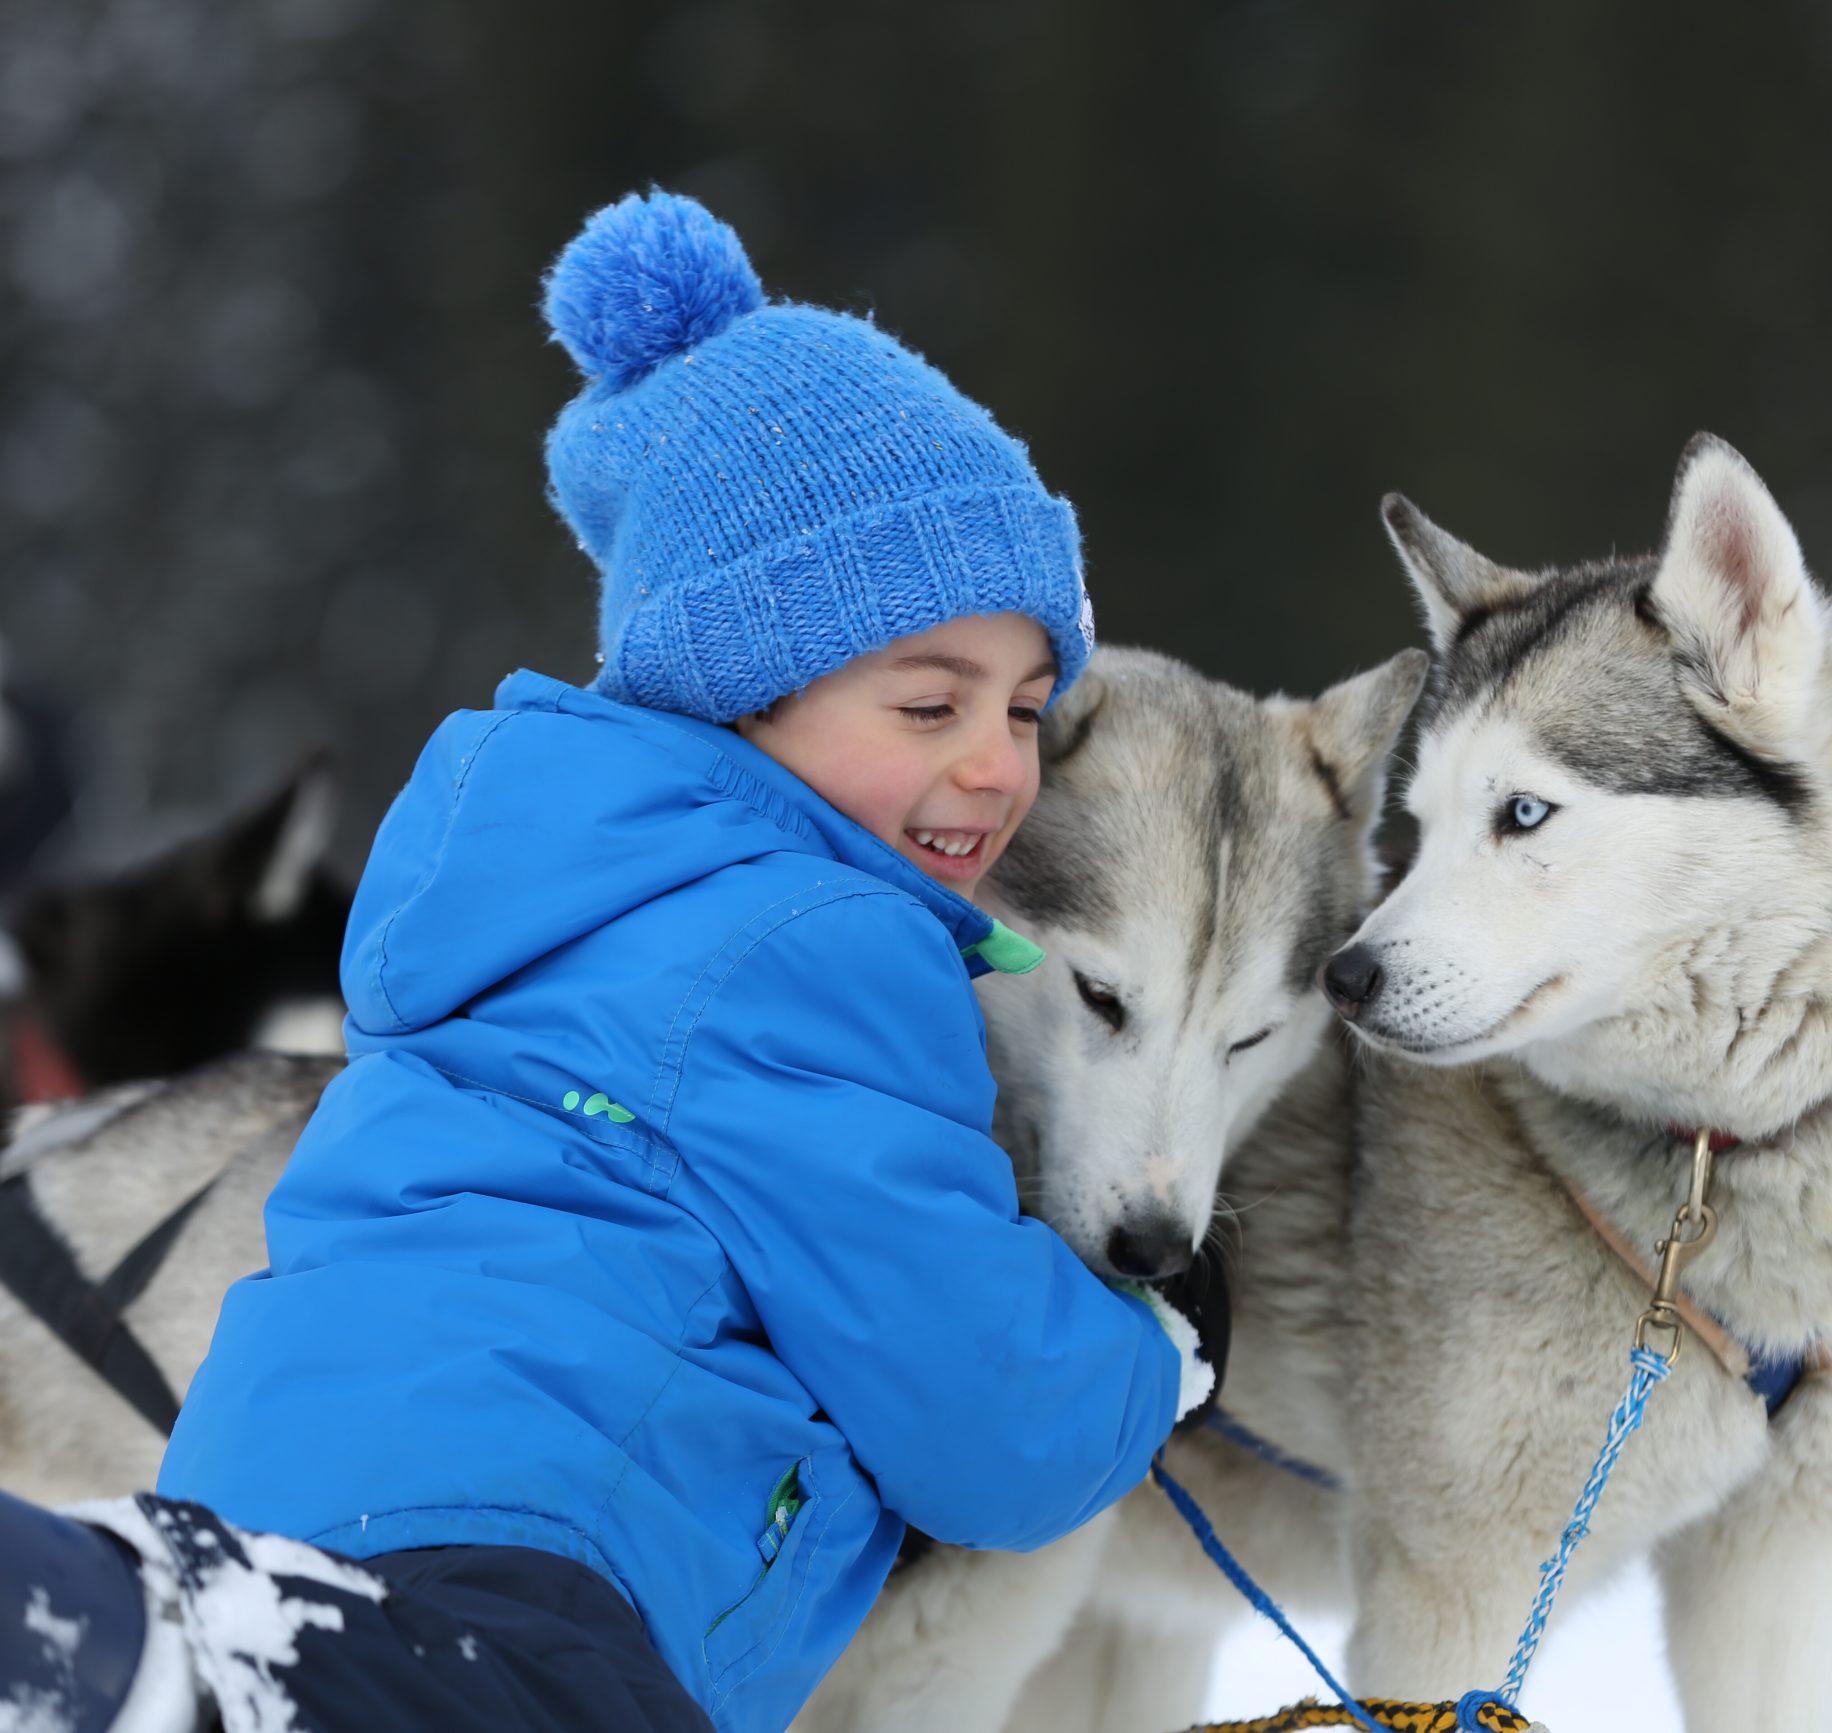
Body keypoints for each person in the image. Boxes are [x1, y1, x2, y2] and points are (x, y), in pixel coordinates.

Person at [0, 190, 1222, 1733]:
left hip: (262, 1506)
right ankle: (130, 1660)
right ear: (742, 689)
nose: (994, 765)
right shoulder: (814, 943)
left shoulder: (521, 898)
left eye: (1027, 706)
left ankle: (155, 1649)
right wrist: (1155, 1357)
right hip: (530, 1571)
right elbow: (980, 1408)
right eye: (930, 705)